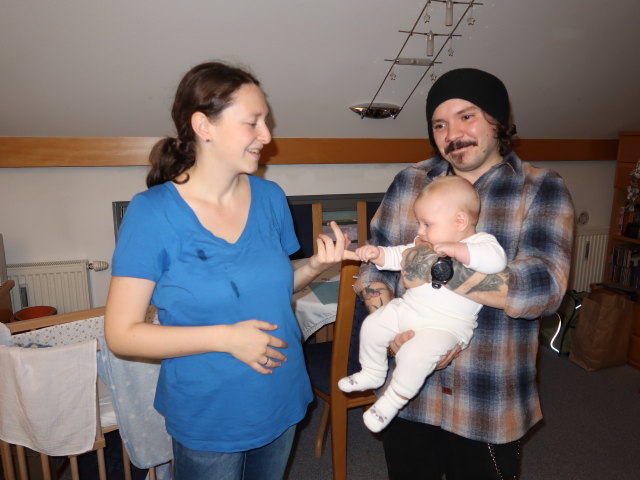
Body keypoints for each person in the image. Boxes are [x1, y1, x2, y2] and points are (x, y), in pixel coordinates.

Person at [104, 61, 352, 480]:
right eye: (252, 123)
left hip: (281, 393)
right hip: (209, 412)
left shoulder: (270, 197)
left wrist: (313, 266)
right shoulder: (152, 213)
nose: (267, 136)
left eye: (266, 122)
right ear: (204, 126)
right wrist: (226, 338)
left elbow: (272, 289)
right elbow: (121, 334)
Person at [355, 68, 574, 479]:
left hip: (487, 400)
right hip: (408, 396)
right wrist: (392, 331)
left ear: (497, 121)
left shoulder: (541, 188)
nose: (452, 133)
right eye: (439, 124)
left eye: (466, 116)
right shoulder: (410, 182)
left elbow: (543, 288)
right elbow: (373, 272)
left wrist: (435, 269)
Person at [339, 176, 507, 433]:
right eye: (419, 223)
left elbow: (496, 261)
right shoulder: (424, 243)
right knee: (372, 325)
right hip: (408, 309)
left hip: (447, 328)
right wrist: (378, 254)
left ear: (460, 221)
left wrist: (455, 249)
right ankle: (373, 371)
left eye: (427, 224)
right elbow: (399, 254)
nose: (419, 231)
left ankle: (391, 403)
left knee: (414, 356)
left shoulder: (481, 242)